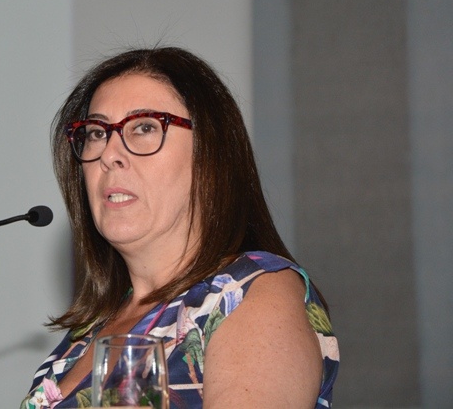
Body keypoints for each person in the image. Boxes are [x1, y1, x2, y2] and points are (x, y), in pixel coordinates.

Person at [20, 47, 339, 408]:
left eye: (144, 127)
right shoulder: (89, 330)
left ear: (210, 157)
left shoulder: (251, 295)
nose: (108, 153)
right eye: (95, 132)